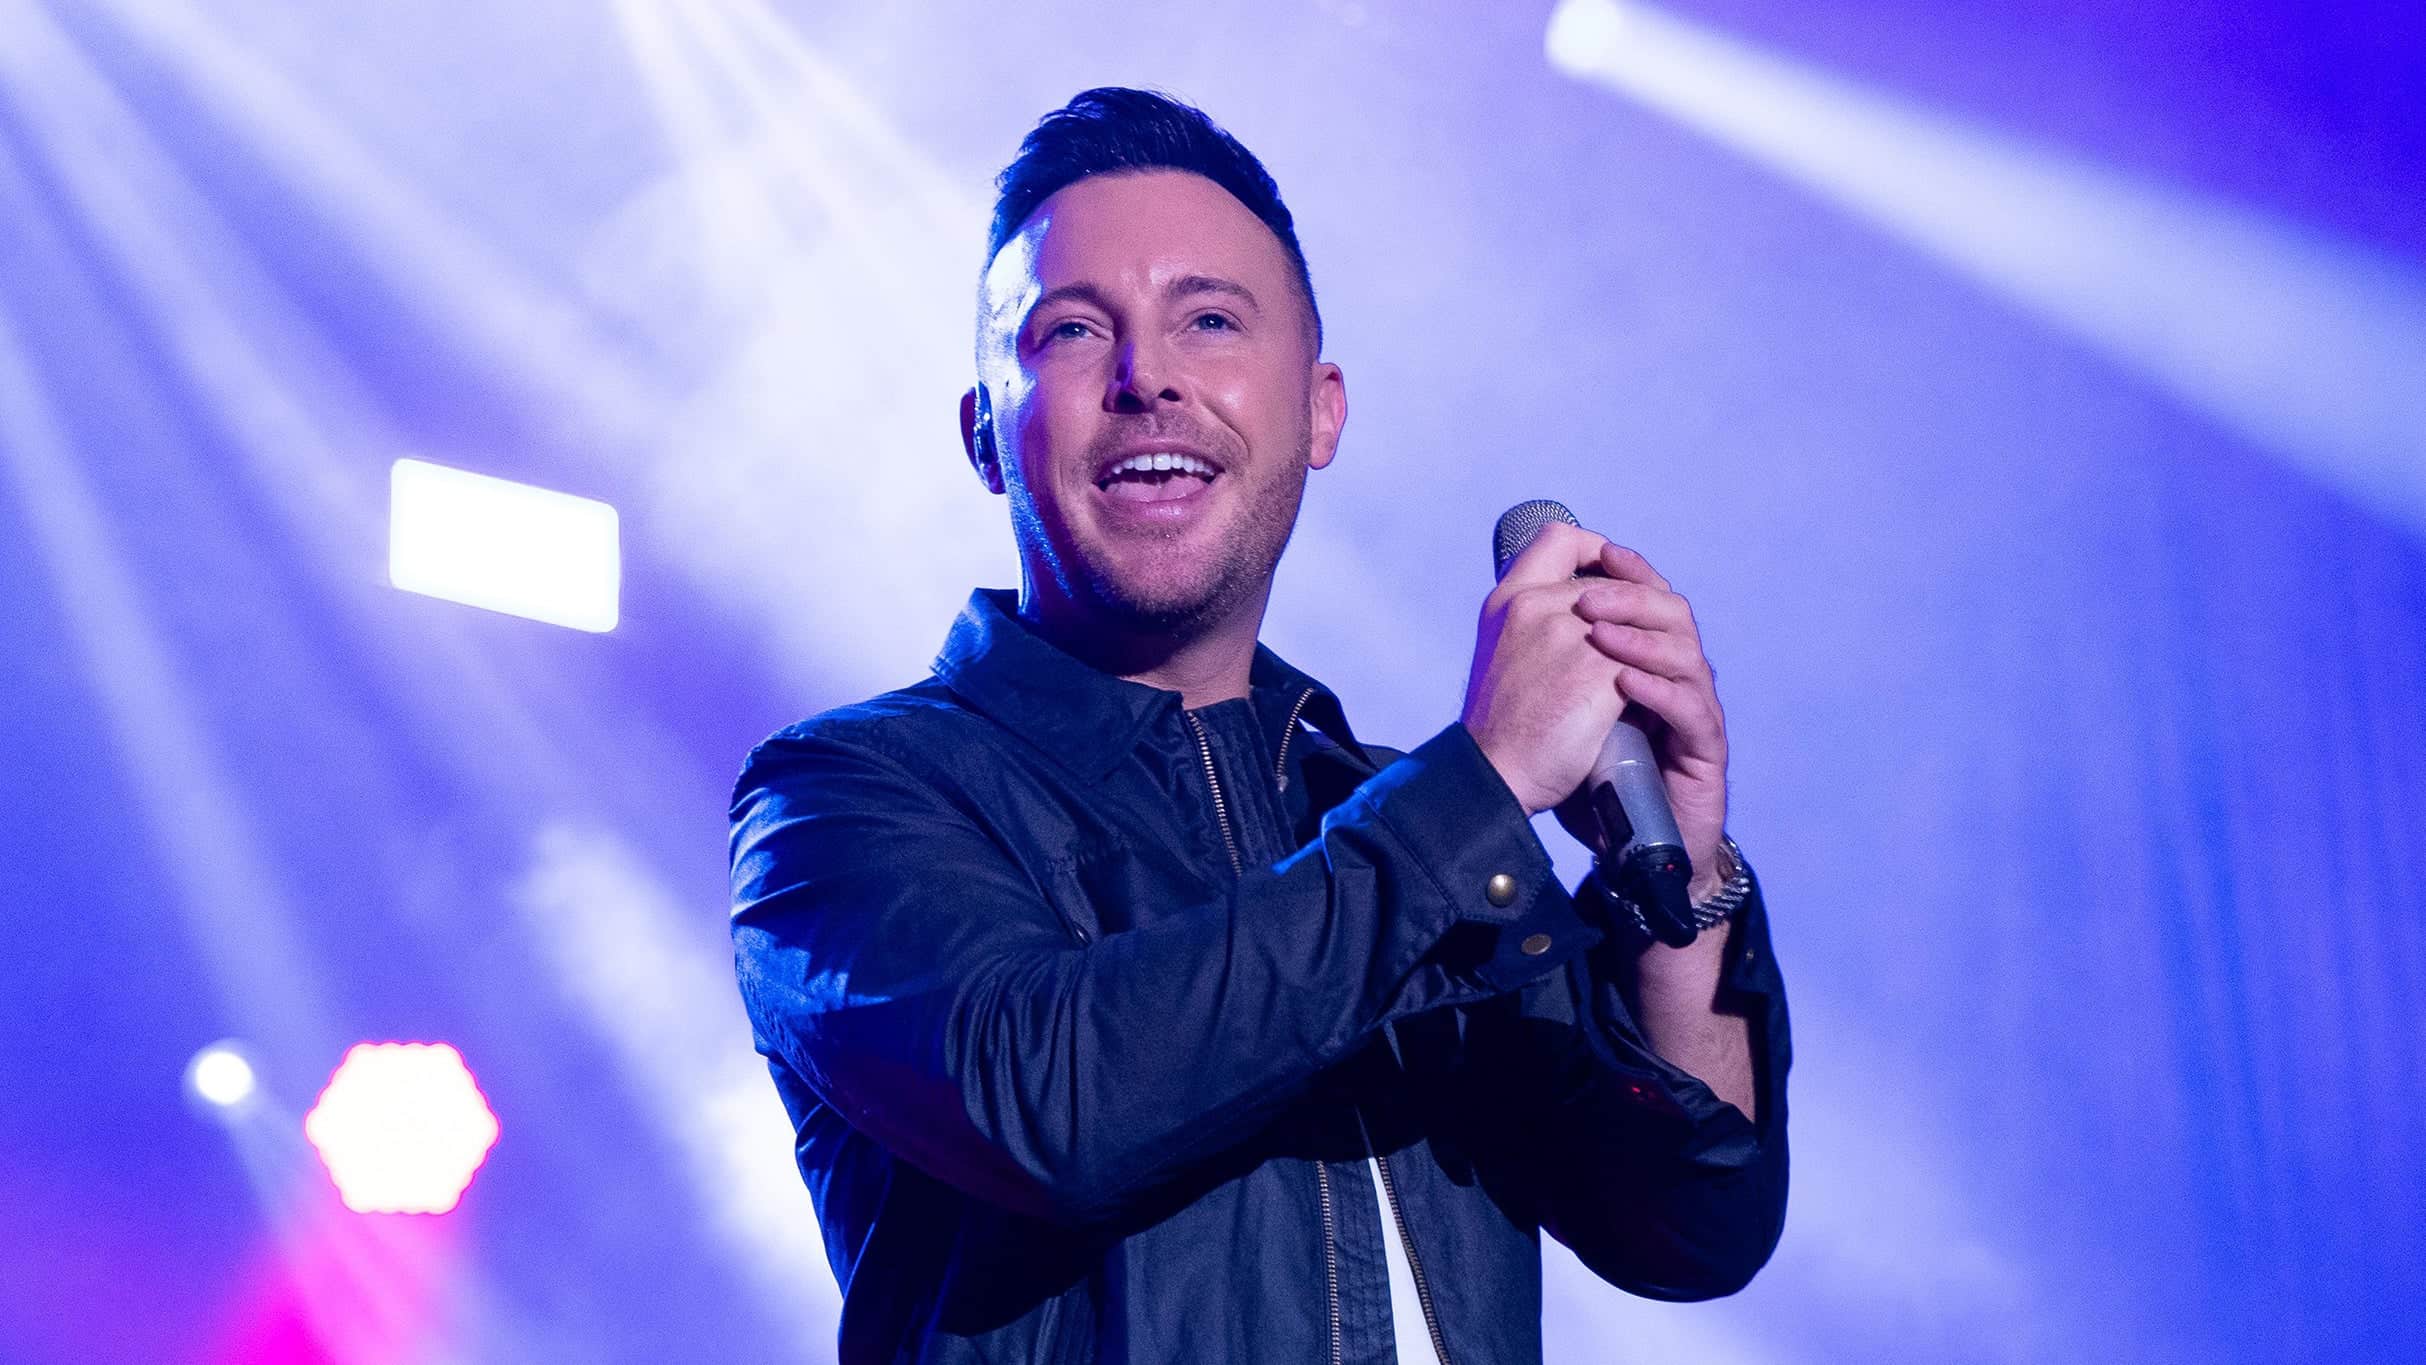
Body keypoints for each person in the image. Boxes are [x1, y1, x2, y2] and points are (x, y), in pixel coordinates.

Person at [729, 87, 1789, 1364]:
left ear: (1318, 409)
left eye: (1210, 320)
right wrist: (1480, 786)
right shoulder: (843, 796)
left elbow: (1689, 1227)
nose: (1148, 378)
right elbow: (1047, 1102)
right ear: (985, 437)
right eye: (1071, 331)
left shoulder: (1409, 825)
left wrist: (1680, 881)